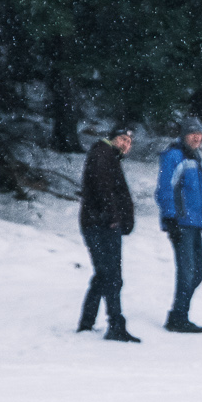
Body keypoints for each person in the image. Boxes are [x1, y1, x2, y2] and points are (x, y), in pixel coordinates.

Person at [76, 124, 140, 341]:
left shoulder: (109, 157)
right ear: (112, 138)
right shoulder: (102, 154)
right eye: (122, 139)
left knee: (105, 274)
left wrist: (124, 219)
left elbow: (115, 192)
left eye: (129, 142)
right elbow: (103, 188)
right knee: (111, 275)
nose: (125, 144)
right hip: (99, 224)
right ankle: (115, 324)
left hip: (101, 222)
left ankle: (87, 322)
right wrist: (113, 217)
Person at [154, 119, 202, 333]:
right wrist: (170, 218)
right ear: (183, 135)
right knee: (187, 271)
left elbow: (200, 197)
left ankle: (178, 314)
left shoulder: (195, 159)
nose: (197, 137)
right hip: (181, 223)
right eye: (192, 133)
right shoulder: (174, 156)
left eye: (199, 133)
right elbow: (165, 189)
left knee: (198, 272)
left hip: (196, 224)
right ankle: (178, 316)